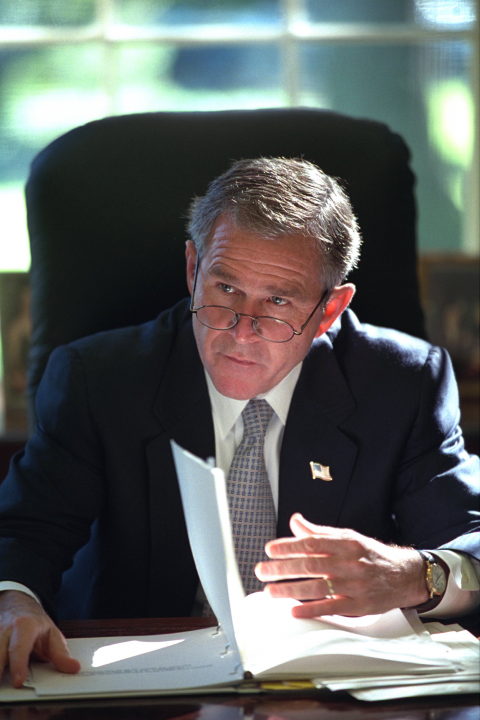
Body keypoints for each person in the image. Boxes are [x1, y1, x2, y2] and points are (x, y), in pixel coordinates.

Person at [0, 158, 478, 689]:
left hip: (325, 691)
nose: (241, 332)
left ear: (329, 310)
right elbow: (24, 530)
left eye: (277, 302)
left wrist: (417, 575)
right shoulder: (100, 380)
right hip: (139, 691)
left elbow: (471, 537)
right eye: (225, 290)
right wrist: (13, 601)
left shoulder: (402, 384)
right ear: (192, 269)